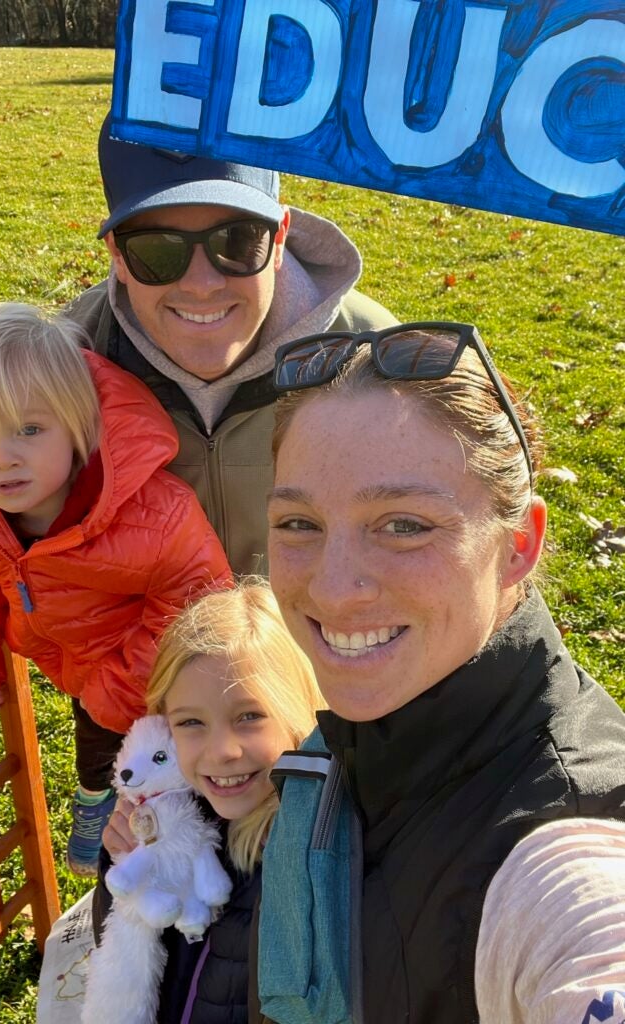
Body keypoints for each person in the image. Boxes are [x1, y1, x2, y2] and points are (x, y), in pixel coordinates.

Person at [260, 321, 625, 1024]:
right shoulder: (382, 721)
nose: (333, 591)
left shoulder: (571, 852)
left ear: (518, 546)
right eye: (298, 524)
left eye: (403, 525)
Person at [63, 116, 398, 852]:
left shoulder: (375, 361)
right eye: (158, 251)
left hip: (326, 692)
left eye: (234, 243)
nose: (202, 282)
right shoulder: (71, 363)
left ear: (280, 236)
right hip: (163, 709)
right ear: (116, 254)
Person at [0, 302, 231, 875]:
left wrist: (115, 688)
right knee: (98, 750)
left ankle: (172, 839)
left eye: (30, 429)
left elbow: (197, 600)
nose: (3, 457)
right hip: (77, 664)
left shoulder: (154, 514)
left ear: (78, 426)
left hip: (161, 673)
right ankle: (100, 799)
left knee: (166, 767)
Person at [92, 580, 323, 1023]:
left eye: (249, 717)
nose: (221, 751)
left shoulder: (305, 849)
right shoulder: (176, 811)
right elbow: (127, 946)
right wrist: (122, 868)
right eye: (191, 722)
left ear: (298, 711)